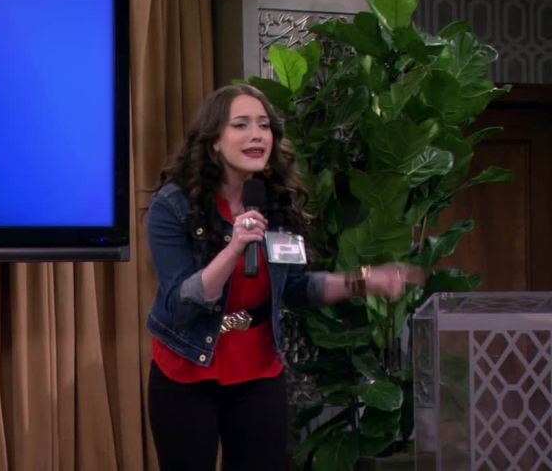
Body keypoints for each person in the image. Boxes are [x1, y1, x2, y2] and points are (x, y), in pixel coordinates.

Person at [145, 84, 417, 471]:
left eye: (264, 125)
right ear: (214, 142)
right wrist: (234, 248)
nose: (257, 135)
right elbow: (179, 305)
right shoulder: (173, 206)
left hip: (257, 368)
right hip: (187, 366)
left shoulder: (277, 202)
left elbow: (296, 288)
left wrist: (364, 280)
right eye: (241, 125)